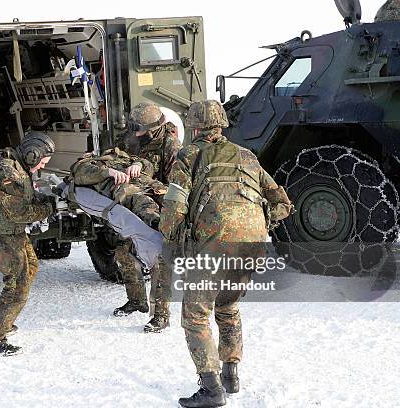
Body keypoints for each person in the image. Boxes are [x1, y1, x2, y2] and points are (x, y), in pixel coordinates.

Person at [160, 100, 292, 407]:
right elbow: (282, 203)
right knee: (228, 308)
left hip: (213, 247)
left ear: (193, 127)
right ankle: (231, 376)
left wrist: (172, 241)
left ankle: (211, 389)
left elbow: (174, 207)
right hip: (251, 247)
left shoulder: (188, 156)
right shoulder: (247, 156)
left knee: (195, 316)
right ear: (222, 125)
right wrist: (258, 223)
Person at [0, 132, 57, 355]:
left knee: (30, 268)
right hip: (1, 234)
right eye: (42, 161)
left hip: (11, 232)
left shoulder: (14, 161)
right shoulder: (7, 172)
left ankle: (2, 321)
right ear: (32, 154)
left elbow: (22, 197)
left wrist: (43, 199)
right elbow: (20, 213)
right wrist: (50, 208)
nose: (41, 167)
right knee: (17, 286)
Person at [70, 148, 167, 316]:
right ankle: (138, 301)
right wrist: (108, 172)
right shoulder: (87, 164)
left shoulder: (128, 158)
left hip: (152, 189)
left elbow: (150, 166)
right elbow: (80, 175)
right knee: (126, 253)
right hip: (128, 197)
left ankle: (161, 313)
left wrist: (137, 164)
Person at [115, 102, 181, 332]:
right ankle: (136, 300)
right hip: (131, 202)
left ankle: (161, 315)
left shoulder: (169, 144)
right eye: (132, 126)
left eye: (138, 127)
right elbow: (115, 154)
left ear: (152, 128)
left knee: (158, 259)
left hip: (157, 207)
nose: (133, 131)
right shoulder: (132, 137)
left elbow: (176, 183)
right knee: (123, 251)